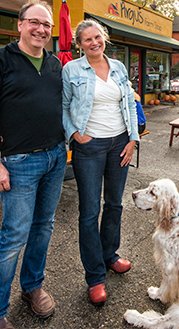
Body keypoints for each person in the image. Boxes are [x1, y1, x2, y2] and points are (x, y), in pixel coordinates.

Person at [0, 0, 66, 329]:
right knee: (14, 235)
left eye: (47, 25)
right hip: (19, 162)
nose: (41, 29)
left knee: (44, 226)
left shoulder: (55, 64)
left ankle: (32, 286)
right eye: (34, 22)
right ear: (20, 24)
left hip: (56, 156)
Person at [62, 19, 139, 305]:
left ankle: (110, 256)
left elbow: (129, 102)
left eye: (98, 37)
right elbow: (64, 105)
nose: (94, 43)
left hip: (120, 143)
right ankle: (95, 276)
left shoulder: (117, 67)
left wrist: (132, 138)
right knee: (89, 211)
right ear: (79, 44)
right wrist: (74, 134)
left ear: (103, 38)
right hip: (90, 148)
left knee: (115, 204)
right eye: (87, 39)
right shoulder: (71, 69)